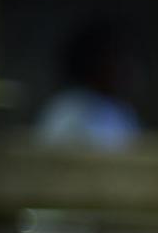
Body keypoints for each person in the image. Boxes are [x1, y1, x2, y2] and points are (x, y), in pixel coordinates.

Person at [36, 18, 140, 150]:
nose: (125, 67)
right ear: (94, 61)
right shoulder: (66, 111)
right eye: (115, 57)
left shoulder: (122, 113)